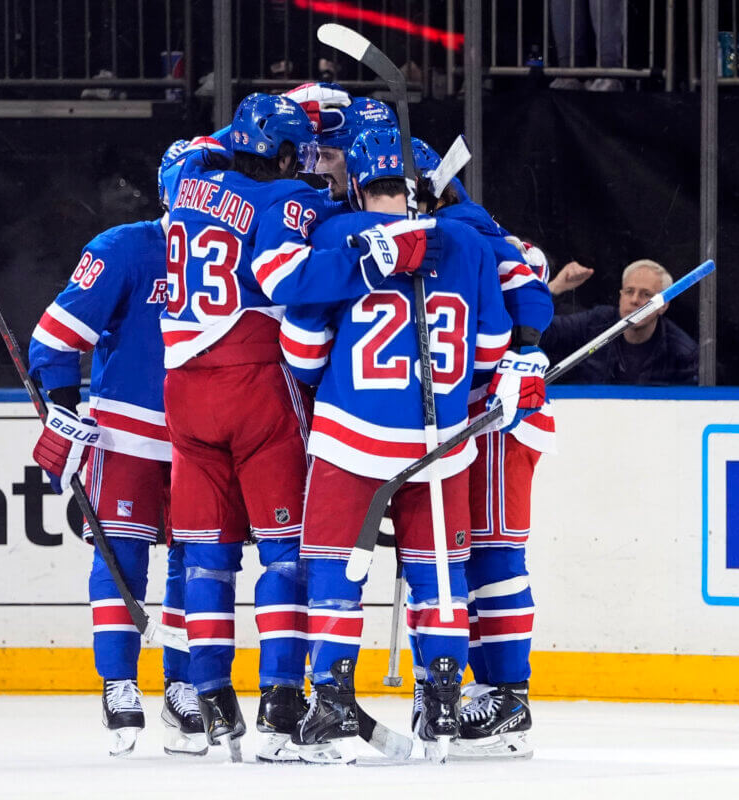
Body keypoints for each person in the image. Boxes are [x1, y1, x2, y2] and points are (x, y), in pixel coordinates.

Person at [157, 93, 425, 763]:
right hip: (254, 379)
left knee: (206, 555)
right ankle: (280, 700)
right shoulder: (288, 198)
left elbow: (202, 145)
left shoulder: (186, 177)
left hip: (183, 391)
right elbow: (281, 276)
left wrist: (274, 116)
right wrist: (369, 260)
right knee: (283, 553)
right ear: (282, 153)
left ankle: (211, 695)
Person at [280, 129, 514, 763]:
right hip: (438, 443)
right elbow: (491, 350)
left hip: (349, 438)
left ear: (357, 184)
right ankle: (440, 704)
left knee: (334, 571)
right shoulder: (467, 241)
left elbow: (300, 354)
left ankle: (330, 705)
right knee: (441, 578)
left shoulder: (335, 235)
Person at [26, 141, 203, 758]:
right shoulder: (124, 249)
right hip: (127, 432)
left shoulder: (236, 256)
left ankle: (185, 688)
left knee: (197, 561)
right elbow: (53, 337)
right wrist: (64, 408)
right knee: (122, 556)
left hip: (200, 438)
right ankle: (121, 684)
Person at [410, 137, 555, 760]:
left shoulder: (462, 222)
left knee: (495, 555)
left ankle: (508, 698)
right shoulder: (437, 230)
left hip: (495, 416)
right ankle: (461, 686)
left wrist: (524, 351)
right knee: (456, 556)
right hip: (456, 420)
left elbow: (528, 284)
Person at [542, 258, 698, 384]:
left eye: (646, 294)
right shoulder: (596, 322)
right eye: (629, 291)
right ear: (620, 296)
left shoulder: (682, 353)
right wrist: (555, 288)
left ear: (663, 306)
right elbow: (540, 333)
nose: (635, 300)